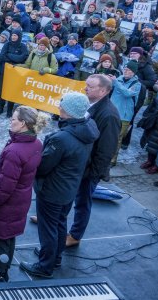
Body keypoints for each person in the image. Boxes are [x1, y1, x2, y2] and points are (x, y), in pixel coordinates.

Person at [20, 92, 99, 278]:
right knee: (60, 222)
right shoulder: (88, 127)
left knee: (47, 228)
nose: (59, 107)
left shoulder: (62, 138)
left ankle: (45, 266)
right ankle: (55, 256)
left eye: (62, 106)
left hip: (52, 190)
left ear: (70, 111)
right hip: (69, 187)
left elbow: (44, 166)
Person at [0, 106, 46, 283]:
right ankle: (4, 267)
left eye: (14, 119)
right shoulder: (36, 143)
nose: (11, 121)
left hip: (8, 204)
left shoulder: (14, 151)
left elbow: (4, 188)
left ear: (23, 123)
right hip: (21, 200)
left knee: (0, 240)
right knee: (9, 237)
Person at [66, 74, 120, 248]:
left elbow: (107, 149)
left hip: (89, 169)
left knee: (82, 201)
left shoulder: (109, 115)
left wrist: (93, 174)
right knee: (67, 194)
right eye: (86, 84)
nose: (85, 88)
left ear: (103, 91)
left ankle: (75, 234)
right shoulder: (90, 104)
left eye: (90, 86)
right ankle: (57, 219)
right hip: (78, 163)